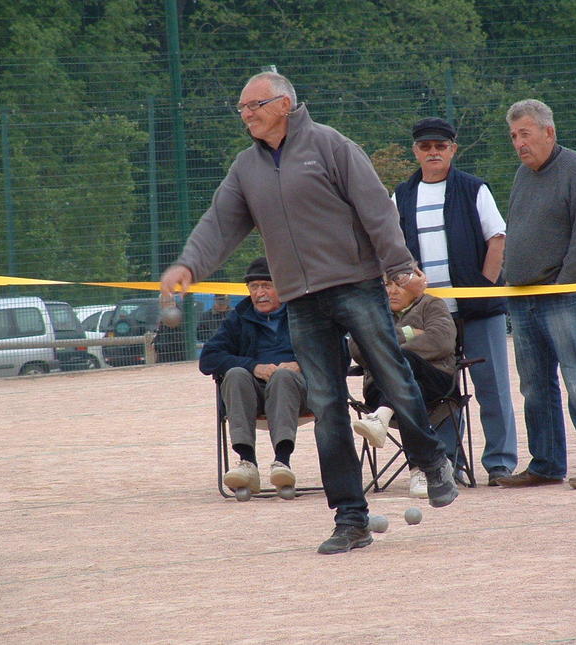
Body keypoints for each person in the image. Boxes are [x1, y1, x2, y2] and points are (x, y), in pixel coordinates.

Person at [160, 71, 457, 555]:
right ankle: (350, 518)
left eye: (253, 105)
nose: (245, 114)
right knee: (326, 408)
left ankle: (431, 456)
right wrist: (188, 264)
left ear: (283, 104)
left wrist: (399, 265)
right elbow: (220, 223)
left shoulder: (331, 146)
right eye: (241, 107)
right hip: (300, 299)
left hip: (356, 284)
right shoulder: (245, 168)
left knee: (392, 372)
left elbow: (376, 209)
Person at [496, 98, 576, 490]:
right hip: (522, 297)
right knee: (534, 386)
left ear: (549, 132)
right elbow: (516, 232)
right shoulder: (521, 175)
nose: (519, 143)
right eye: (514, 136)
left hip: (562, 295)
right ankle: (546, 464)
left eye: (525, 134)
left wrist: (564, 284)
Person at [394, 117, 519, 486]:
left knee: (491, 384)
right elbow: (391, 250)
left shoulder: (473, 188)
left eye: (441, 146)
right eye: (425, 146)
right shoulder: (400, 195)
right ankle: (447, 462)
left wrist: (482, 287)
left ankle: (500, 463)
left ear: (453, 149)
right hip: (425, 315)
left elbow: (497, 238)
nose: (433, 152)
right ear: (415, 151)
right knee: (437, 386)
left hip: (477, 309)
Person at [199, 257, 307, 495]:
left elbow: (337, 351)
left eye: (267, 286)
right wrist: (253, 366)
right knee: (236, 374)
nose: (260, 293)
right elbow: (208, 359)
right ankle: (247, 463)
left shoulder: (304, 313)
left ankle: (282, 461)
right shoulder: (239, 317)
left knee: (282, 377)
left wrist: (301, 364)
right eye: (254, 287)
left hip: (301, 392)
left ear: (284, 286)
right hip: (254, 393)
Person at [348, 277, 457, 499]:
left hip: (435, 382)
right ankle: (422, 469)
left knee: (403, 362)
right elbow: (357, 348)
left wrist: (386, 346)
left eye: (399, 284)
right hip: (381, 387)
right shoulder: (373, 310)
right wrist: (411, 333)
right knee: (408, 387)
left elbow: (441, 341)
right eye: (387, 285)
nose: (392, 291)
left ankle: (382, 417)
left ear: (417, 284)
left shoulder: (432, 304)